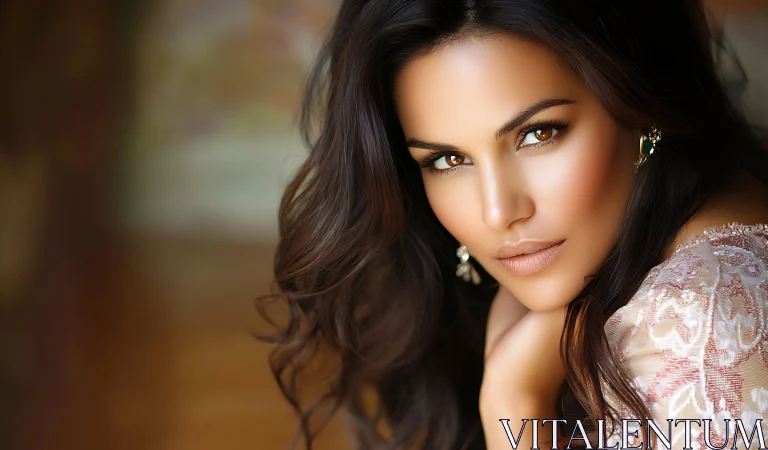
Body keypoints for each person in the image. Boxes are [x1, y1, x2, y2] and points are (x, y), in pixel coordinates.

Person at [258, 0, 768, 448]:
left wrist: (514, 405)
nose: (498, 212)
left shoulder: (701, 323)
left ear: (638, 103)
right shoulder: (719, 209)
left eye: (539, 133)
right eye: (446, 161)